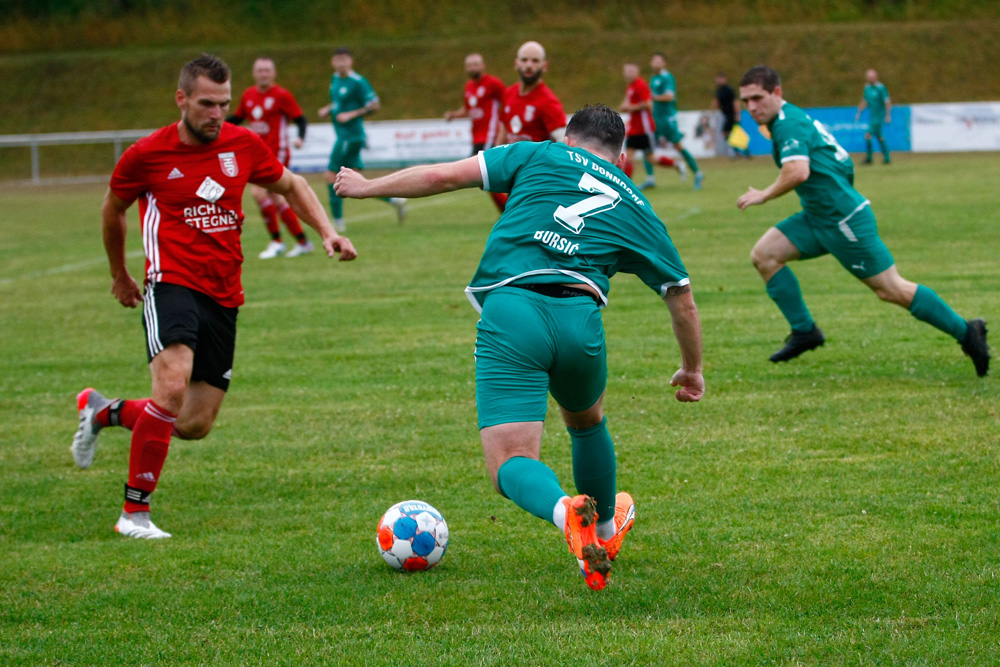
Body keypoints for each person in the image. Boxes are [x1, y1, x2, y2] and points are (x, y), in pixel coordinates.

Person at [335, 104, 705, 590]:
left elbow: (443, 175)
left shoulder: (539, 153)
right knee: (587, 419)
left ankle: (565, 513)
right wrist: (692, 368)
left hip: (514, 310)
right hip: (581, 319)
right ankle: (606, 532)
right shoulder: (635, 201)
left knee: (511, 461)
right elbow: (681, 297)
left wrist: (367, 187)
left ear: (569, 138)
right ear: (618, 158)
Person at [71, 54, 358, 539]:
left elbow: (291, 184)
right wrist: (120, 274)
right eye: (206, 103)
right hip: (171, 281)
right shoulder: (147, 155)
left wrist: (327, 231)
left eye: (223, 104)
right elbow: (113, 208)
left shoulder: (243, 144)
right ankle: (133, 514)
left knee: (193, 423)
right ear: (181, 99)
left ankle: (104, 410)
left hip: (225, 292)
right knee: (171, 385)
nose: (216, 113)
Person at [736, 65, 988, 376]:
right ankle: (805, 331)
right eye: (745, 101)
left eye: (757, 98)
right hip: (819, 215)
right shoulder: (790, 120)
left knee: (891, 289)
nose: (751, 107)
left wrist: (764, 194)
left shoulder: (788, 124)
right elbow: (840, 160)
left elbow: (798, 171)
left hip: (843, 220)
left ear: (777, 93)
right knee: (765, 255)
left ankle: (968, 332)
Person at [228, 57, 315, 259]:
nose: (263, 74)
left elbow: (300, 119)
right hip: (256, 154)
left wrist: (301, 138)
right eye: (260, 70)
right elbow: (237, 118)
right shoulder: (249, 95)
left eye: (267, 70)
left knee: (259, 193)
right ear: (254, 73)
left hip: (278, 153)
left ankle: (277, 241)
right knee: (276, 197)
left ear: (273, 73)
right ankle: (302, 241)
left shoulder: (282, 95)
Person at [318, 47, 406, 232]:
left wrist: (352, 114)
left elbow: (374, 104)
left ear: (350, 61)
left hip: (350, 136)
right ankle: (395, 200)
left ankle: (338, 223)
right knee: (357, 180)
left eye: (344, 59)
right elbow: (339, 102)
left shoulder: (358, 81)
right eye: (337, 59)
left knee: (330, 176)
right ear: (332, 62)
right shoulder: (335, 79)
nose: (340, 62)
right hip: (344, 135)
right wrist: (329, 109)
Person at [490, 41, 568, 213]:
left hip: (537, 178)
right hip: (513, 173)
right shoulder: (509, 94)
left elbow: (564, 141)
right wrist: (494, 159)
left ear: (544, 65)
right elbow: (504, 129)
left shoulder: (548, 101)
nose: (529, 65)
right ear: (516, 63)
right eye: (524, 60)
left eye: (535, 61)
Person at [444, 53, 507, 212]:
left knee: (487, 177)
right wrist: (454, 115)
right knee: (486, 179)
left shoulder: (493, 84)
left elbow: (509, 101)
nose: (473, 67)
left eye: (476, 64)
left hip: (490, 136)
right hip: (476, 138)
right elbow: (468, 109)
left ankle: (509, 211)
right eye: (470, 65)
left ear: (483, 65)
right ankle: (508, 211)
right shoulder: (469, 86)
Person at [650, 52, 704, 190]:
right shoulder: (653, 79)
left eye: (658, 61)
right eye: (653, 61)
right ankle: (650, 178)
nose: (655, 63)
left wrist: (653, 97)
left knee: (678, 146)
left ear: (664, 63)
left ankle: (697, 173)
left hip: (668, 118)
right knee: (646, 145)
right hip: (655, 118)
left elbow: (669, 96)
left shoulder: (667, 78)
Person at [619, 62, 659, 189]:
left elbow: (648, 103)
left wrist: (630, 107)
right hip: (634, 128)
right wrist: (625, 107)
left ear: (637, 72)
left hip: (644, 128)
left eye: (631, 71)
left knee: (651, 159)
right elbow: (626, 103)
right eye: (626, 71)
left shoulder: (640, 84)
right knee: (629, 157)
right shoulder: (629, 86)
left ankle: (675, 165)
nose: (628, 73)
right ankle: (625, 185)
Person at [855, 68, 892, 165]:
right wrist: (859, 113)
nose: (870, 78)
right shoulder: (867, 88)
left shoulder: (881, 88)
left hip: (879, 117)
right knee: (879, 137)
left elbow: (887, 101)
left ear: (876, 77)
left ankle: (869, 158)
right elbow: (865, 101)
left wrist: (888, 115)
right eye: (868, 77)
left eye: (871, 77)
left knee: (868, 135)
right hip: (872, 117)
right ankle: (887, 158)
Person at [712, 72, 749, 159]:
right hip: (726, 115)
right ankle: (741, 152)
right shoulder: (718, 90)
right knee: (732, 133)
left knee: (729, 133)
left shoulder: (729, 89)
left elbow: (735, 101)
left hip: (731, 115)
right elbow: (717, 102)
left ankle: (741, 152)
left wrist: (737, 114)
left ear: (724, 79)